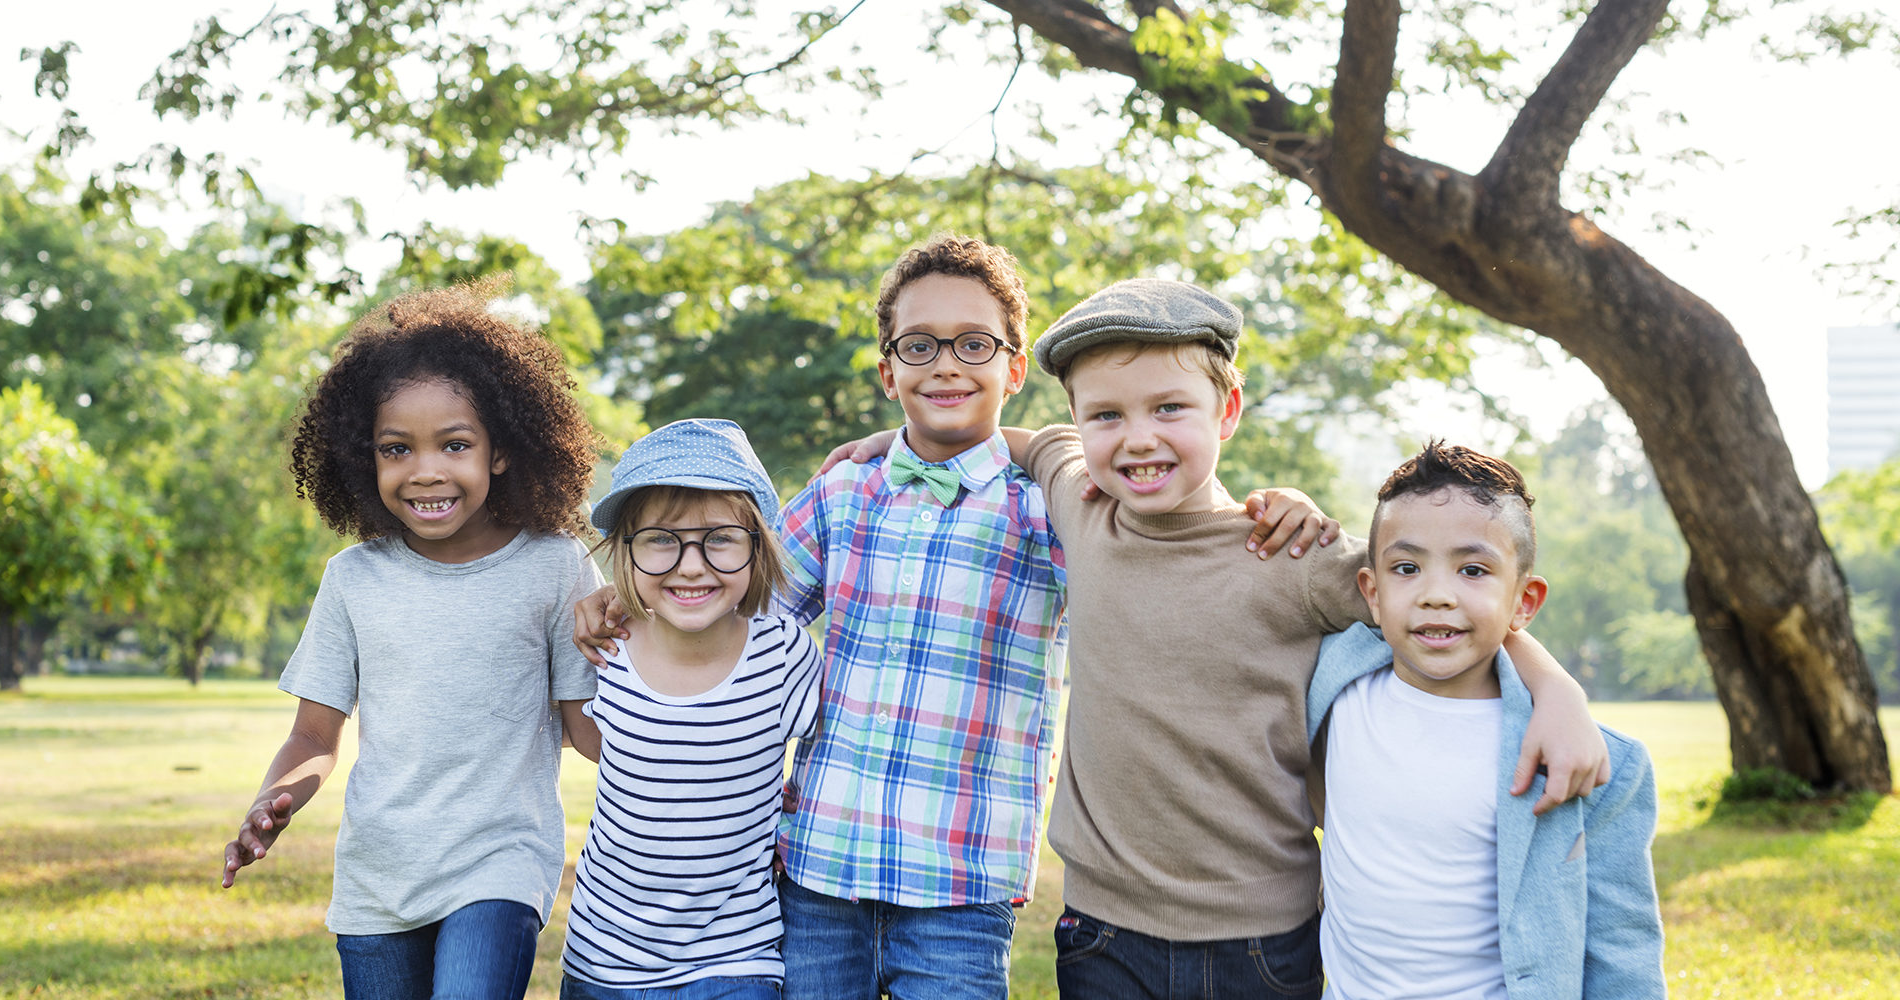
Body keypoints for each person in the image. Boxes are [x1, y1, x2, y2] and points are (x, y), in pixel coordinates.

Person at [577, 236, 1333, 1000]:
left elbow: (1164, 527)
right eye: (919, 345)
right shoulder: (843, 496)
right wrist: (627, 596)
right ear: (887, 370)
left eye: (974, 343)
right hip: (819, 870)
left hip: (961, 881)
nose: (945, 364)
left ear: (1012, 368)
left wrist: (1274, 509)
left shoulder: (1053, 510)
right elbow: (719, 594)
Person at [1011, 279, 1609, 1000]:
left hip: (1259, 938)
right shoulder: (1079, 501)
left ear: (1226, 410)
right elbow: (1013, 442)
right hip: (1101, 930)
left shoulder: (1290, 555)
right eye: (1106, 415)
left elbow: (1436, 601)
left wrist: (1556, 687)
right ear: (1077, 423)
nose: (1139, 437)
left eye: (1170, 407)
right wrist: (888, 444)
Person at [219, 283, 607, 1000]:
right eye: (397, 449)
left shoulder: (555, 564)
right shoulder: (353, 580)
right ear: (365, 459)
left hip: (501, 862)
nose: (426, 470)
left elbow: (587, 730)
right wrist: (274, 799)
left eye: (454, 444)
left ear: (500, 452)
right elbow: (313, 738)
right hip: (379, 875)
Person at [1305, 442, 1664, 999]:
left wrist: (1555, 689)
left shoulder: (1593, 760)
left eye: (1473, 570)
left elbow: (1622, 949)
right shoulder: (1331, 678)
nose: (1436, 595)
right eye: (1407, 568)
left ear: (1525, 602)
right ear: (1371, 593)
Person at [557, 418, 823, 999]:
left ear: (758, 547)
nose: (692, 564)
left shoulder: (783, 655)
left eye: (721, 539)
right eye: (660, 539)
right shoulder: (607, 651)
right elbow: (594, 744)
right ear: (625, 549)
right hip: (605, 959)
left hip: (736, 957)